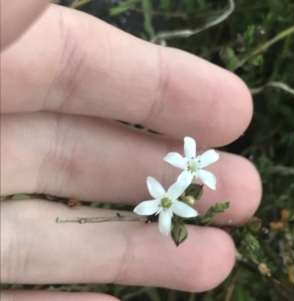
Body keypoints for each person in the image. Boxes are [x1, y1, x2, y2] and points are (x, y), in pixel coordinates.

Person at [1, 1, 262, 300]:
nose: (167, 199)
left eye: (194, 166)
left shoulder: (177, 191)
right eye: (192, 166)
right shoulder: (174, 187)